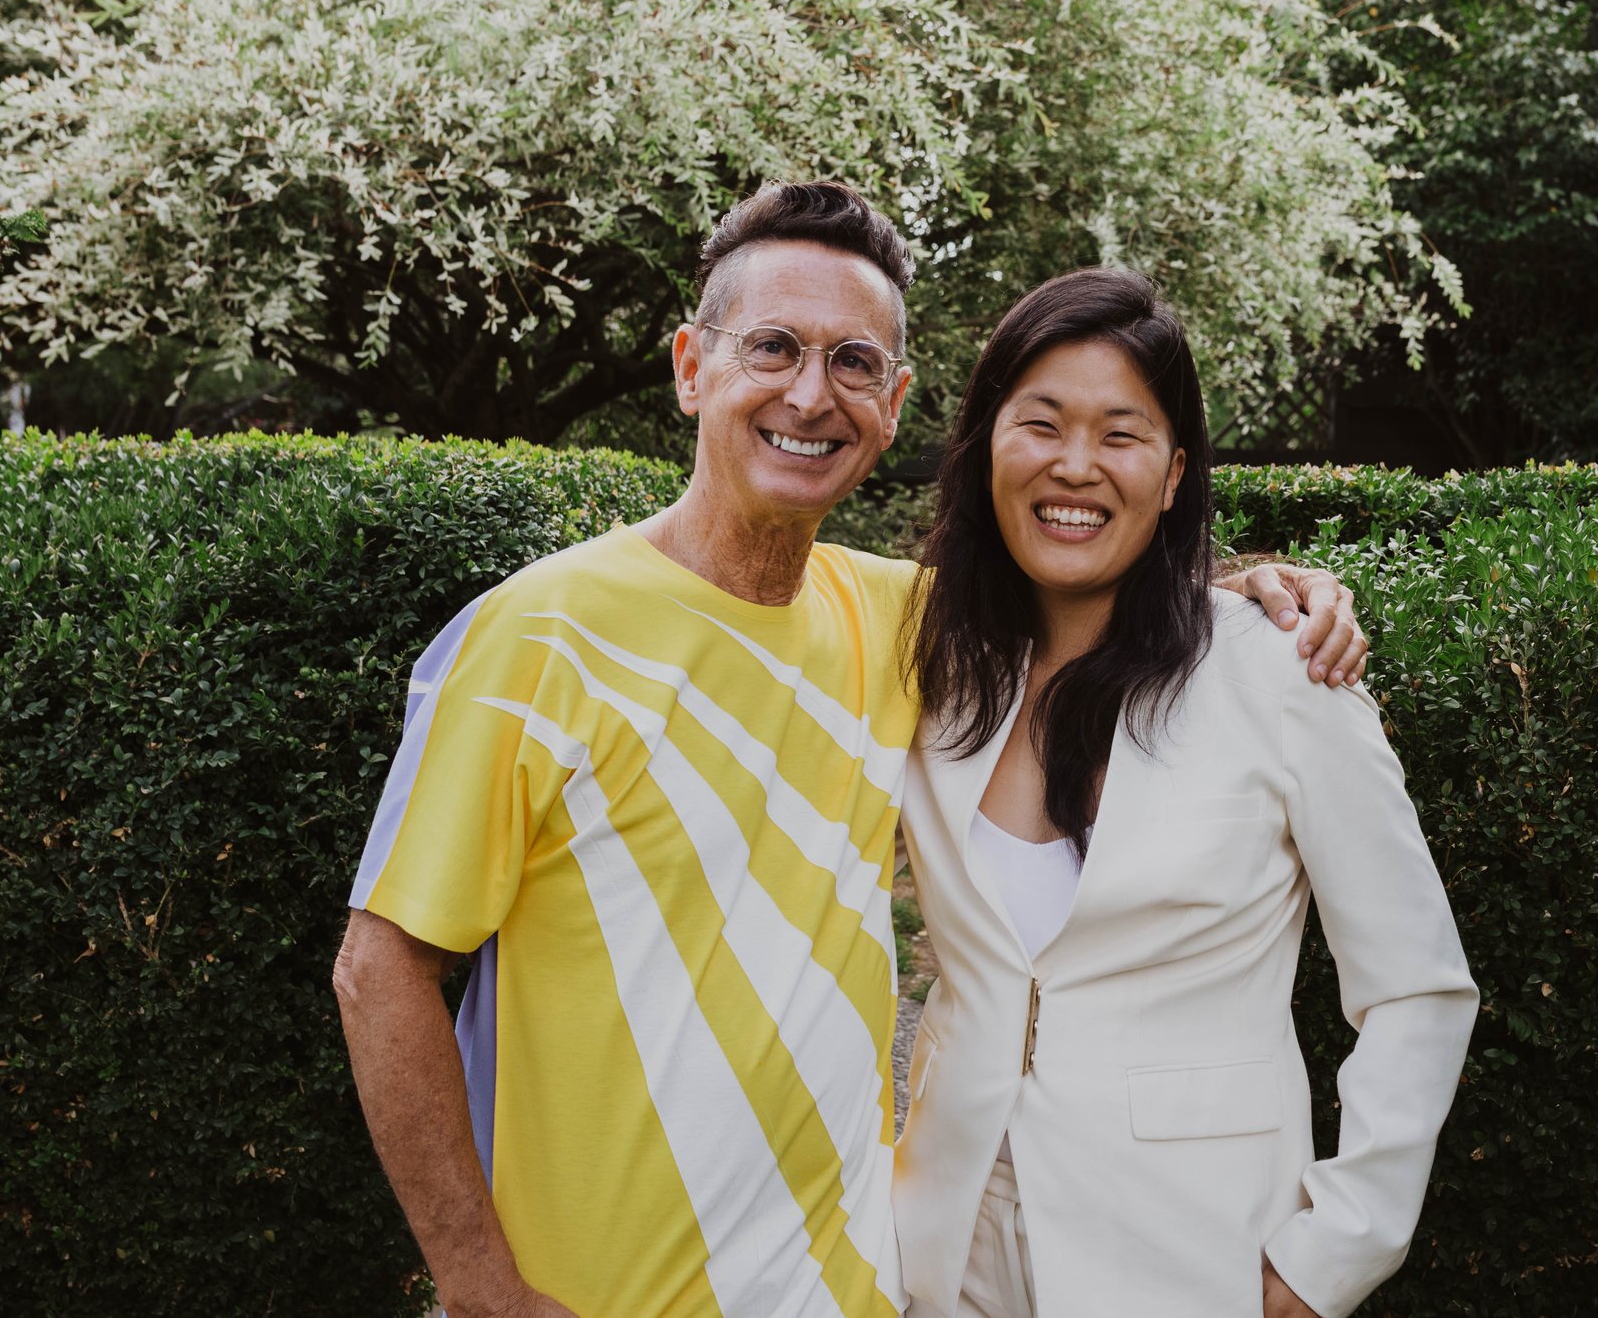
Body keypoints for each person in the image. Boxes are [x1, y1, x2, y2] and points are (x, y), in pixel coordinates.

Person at [331, 182, 1366, 1318]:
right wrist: (482, 1287)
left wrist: (1254, 594)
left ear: (894, 401)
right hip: (598, 1296)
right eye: (771, 345)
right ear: (690, 366)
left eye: (855, 362)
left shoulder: (904, 622)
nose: (810, 394)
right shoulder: (538, 634)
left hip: (854, 1291)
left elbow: (1088, 584)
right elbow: (379, 969)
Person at [894, 268, 1477, 1318]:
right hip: (944, 1245)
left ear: (1172, 474)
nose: (1075, 464)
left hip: (1189, 1250)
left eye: (1121, 433)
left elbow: (1416, 986)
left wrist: (1332, 1251)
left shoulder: (1277, 670)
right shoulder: (925, 660)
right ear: (986, 442)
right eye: (1041, 422)